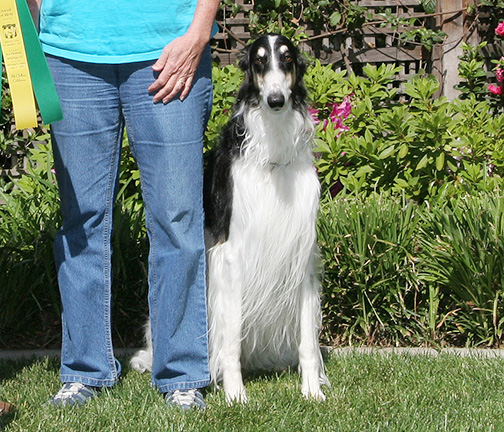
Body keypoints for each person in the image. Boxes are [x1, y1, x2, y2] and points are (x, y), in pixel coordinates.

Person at [28, 0, 220, 410]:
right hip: (69, 51)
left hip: (169, 49)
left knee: (177, 219)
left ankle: (182, 376)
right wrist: (32, 34)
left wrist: (199, 31)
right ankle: (84, 369)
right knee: (81, 221)